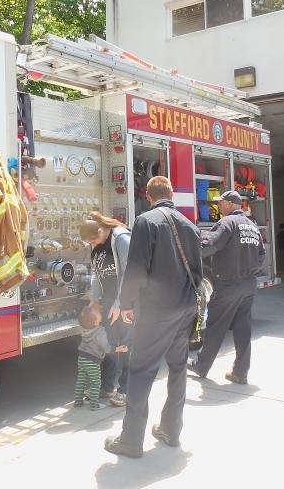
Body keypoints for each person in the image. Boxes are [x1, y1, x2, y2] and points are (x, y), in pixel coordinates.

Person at [104, 176, 203, 458]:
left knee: (141, 372)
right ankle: (171, 430)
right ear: (171, 193)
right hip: (184, 309)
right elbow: (198, 272)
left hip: (156, 312)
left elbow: (136, 268)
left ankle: (131, 440)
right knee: (178, 368)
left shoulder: (146, 221)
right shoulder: (189, 225)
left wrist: (126, 303)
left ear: (148, 195)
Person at [188, 190, 266, 384]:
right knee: (243, 328)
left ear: (230, 204)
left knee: (216, 327)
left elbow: (208, 245)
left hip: (229, 285)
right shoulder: (252, 226)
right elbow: (261, 256)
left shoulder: (227, 223)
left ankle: (201, 366)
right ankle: (240, 372)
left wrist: (188, 251)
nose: (218, 206)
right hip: (248, 285)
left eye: (221, 202)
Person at [79, 212, 132, 407]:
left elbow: (130, 273)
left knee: (127, 346)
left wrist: (121, 303)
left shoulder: (121, 239)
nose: (93, 243)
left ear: (101, 230)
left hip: (127, 303)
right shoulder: (98, 244)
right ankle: (107, 386)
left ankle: (127, 390)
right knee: (110, 344)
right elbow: (96, 274)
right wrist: (94, 300)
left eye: (94, 238)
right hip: (109, 301)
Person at [74, 304, 114, 410]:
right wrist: (117, 349)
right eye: (98, 314)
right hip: (93, 360)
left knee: (81, 380)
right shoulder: (100, 331)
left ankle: (78, 402)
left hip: (82, 358)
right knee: (96, 383)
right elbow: (106, 347)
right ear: (96, 322)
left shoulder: (84, 328)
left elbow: (86, 317)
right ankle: (94, 405)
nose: (100, 314)